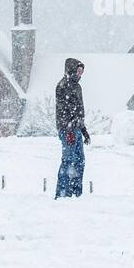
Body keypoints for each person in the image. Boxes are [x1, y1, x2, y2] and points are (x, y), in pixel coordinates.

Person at [54, 57, 89, 199]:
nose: (80, 74)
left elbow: (78, 112)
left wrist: (83, 130)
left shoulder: (77, 87)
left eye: (82, 72)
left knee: (80, 160)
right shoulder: (63, 86)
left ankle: (76, 191)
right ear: (72, 70)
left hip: (76, 129)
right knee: (68, 160)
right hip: (67, 130)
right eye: (78, 71)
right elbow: (64, 111)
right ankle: (63, 193)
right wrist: (68, 129)